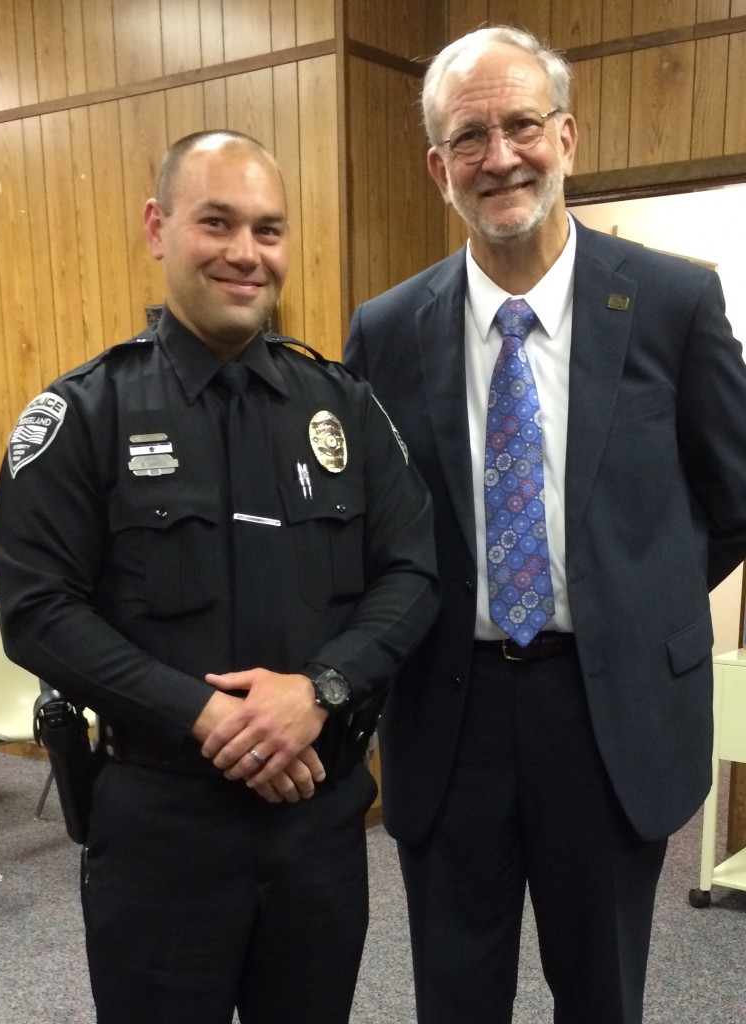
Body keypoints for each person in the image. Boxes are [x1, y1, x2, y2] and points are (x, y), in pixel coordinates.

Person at [344, 24, 746, 1024]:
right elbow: (372, 530)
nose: (500, 157)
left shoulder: (673, 303)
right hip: (449, 710)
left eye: (521, 125)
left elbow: (733, 499)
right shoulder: (384, 331)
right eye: (468, 138)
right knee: (455, 997)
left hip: (606, 715)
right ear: (438, 167)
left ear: (565, 136)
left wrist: (628, 597)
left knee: (601, 995)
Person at [0, 130, 439, 1024]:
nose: (246, 252)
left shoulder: (343, 407)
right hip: (159, 829)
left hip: (314, 819)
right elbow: (37, 610)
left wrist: (318, 690)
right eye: (217, 223)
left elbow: (414, 572)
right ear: (158, 229)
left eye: (268, 230)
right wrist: (208, 716)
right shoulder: (85, 413)